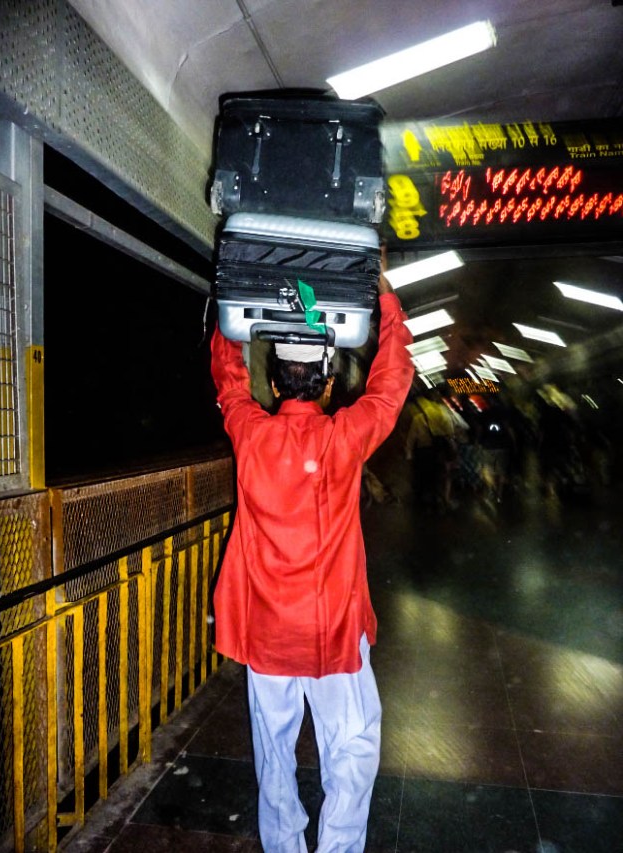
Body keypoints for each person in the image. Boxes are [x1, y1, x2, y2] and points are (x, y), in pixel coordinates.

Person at [209, 251, 414, 853]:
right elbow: (392, 381)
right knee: (352, 745)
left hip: (266, 632)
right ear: (327, 383)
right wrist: (384, 295)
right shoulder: (345, 438)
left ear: (274, 383)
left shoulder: (249, 433)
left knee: (273, 750)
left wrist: (229, 307)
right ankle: (338, 847)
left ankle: (284, 845)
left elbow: (225, 376)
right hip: (332, 633)